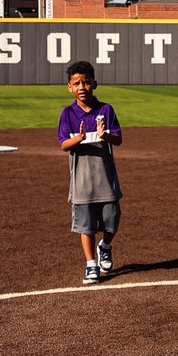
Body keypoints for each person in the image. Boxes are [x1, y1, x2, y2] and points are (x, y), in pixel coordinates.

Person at [57, 60, 123, 285]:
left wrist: (105, 136)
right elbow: (63, 144)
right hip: (82, 182)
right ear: (69, 87)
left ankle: (105, 246)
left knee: (112, 220)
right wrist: (79, 138)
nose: (82, 87)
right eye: (77, 83)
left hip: (106, 178)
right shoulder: (67, 113)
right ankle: (90, 265)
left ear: (95, 84)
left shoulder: (106, 110)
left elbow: (119, 139)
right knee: (86, 226)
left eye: (86, 82)